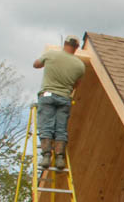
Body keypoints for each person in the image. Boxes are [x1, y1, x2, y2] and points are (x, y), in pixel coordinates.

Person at [33, 34, 85, 170]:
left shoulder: (51, 54)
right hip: (64, 98)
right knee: (61, 129)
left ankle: (46, 156)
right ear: (77, 47)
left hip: (48, 96)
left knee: (46, 127)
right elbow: (76, 85)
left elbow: (36, 64)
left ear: (65, 43)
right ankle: (60, 159)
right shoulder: (80, 65)